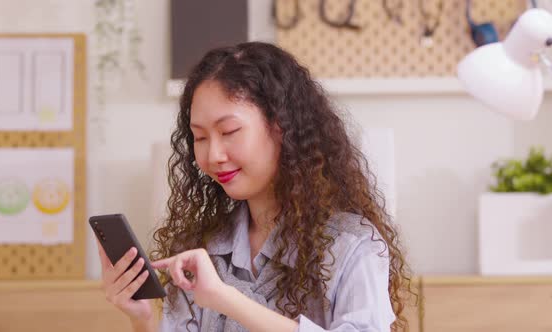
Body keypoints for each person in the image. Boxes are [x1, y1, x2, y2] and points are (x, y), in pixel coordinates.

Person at [97, 42, 415, 332]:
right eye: (201, 137)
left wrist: (225, 299)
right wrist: (141, 319)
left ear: (282, 127)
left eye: (230, 131)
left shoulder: (352, 245)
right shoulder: (205, 247)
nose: (213, 155)